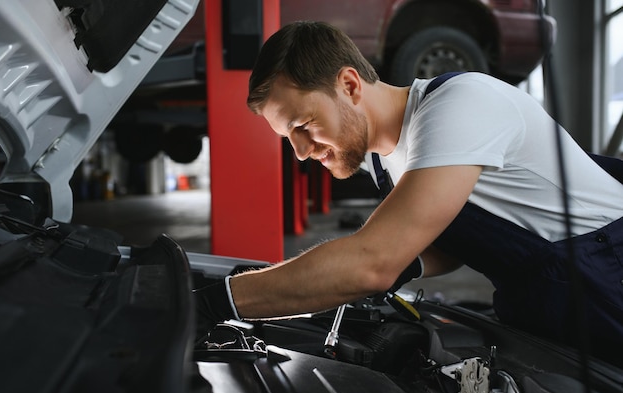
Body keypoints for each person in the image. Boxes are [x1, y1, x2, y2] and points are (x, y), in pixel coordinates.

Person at [195, 21, 623, 364]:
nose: (303, 153)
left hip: (610, 276)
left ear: (349, 85)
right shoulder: (385, 160)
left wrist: (217, 302)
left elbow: (371, 263)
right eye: (289, 139)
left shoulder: (460, 105)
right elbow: (462, 235)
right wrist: (407, 262)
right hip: (552, 300)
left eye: (303, 127)